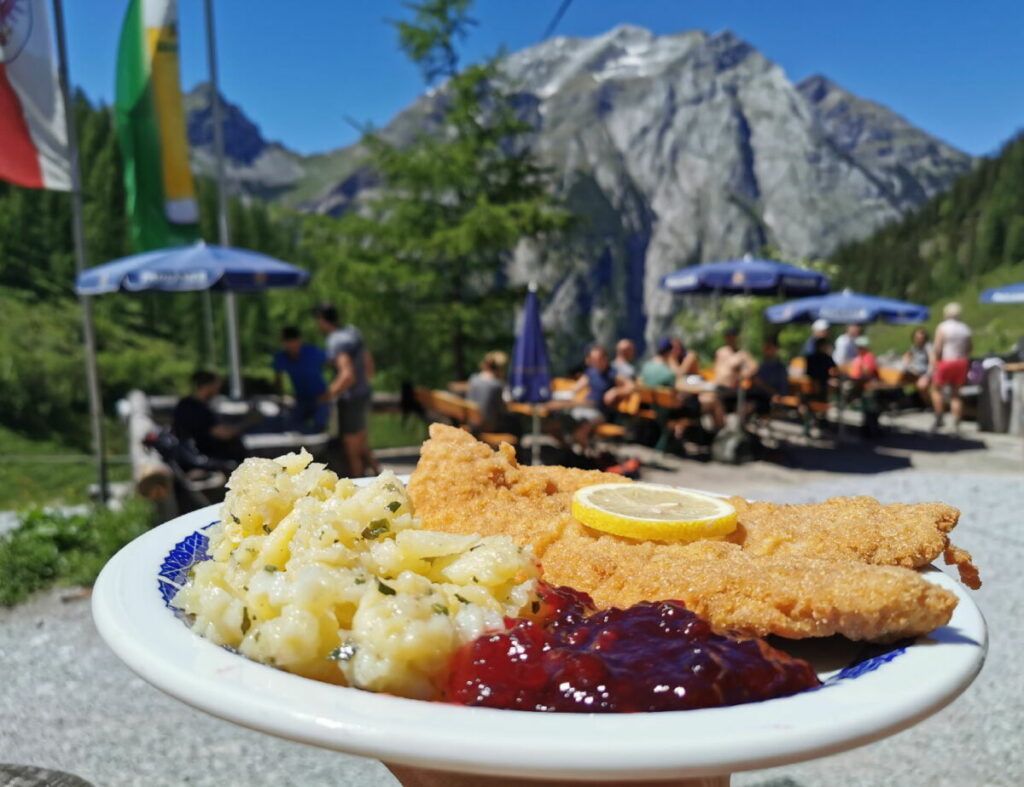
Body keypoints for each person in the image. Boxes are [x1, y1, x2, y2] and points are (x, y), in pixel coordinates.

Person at [314, 303, 381, 477]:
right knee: (362, 445)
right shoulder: (352, 332)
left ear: (321, 320)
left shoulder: (336, 340)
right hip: (364, 394)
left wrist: (326, 396)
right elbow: (369, 366)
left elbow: (347, 375)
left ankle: (358, 487)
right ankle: (382, 478)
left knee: (352, 452)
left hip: (350, 400)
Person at [171, 370, 246, 469]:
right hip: (204, 459)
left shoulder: (193, 405)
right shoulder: (192, 408)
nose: (217, 391)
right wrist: (249, 422)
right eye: (216, 387)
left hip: (205, 456)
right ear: (207, 386)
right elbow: (223, 434)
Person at [567, 345, 635, 452]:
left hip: (600, 412)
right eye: (593, 359)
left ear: (605, 358)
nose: (595, 362)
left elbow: (631, 386)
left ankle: (586, 456)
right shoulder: (591, 371)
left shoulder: (612, 373)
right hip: (586, 406)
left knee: (579, 431)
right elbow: (576, 387)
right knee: (567, 419)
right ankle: (577, 451)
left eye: (598, 359)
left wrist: (615, 391)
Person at [272, 326, 329, 433]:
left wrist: (333, 390)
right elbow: (278, 380)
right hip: (301, 399)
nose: (291, 345)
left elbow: (334, 364)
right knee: (291, 426)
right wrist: (280, 399)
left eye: (293, 341)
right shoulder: (281, 358)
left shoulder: (312, 352)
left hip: (321, 397)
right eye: (288, 342)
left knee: (319, 426)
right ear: (283, 343)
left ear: (299, 340)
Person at [931, 302, 972, 433]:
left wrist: (935, 361)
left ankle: (939, 416)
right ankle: (956, 420)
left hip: (946, 361)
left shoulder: (942, 327)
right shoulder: (965, 328)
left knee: (936, 389)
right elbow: (969, 347)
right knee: (956, 393)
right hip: (961, 362)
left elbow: (938, 347)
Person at [466, 350, 520, 436]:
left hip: (473, 424)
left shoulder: (473, 379)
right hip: (489, 426)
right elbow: (503, 408)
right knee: (515, 422)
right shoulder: (496, 385)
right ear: (500, 368)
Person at [712, 327, 758, 416]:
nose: (730, 339)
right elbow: (720, 369)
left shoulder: (742, 353)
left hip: (732, 389)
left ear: (736, 338)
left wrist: (742, 375)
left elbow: (754, 367)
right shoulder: (721, 352)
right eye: (728, 337)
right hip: (719, 387)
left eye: (732, 337)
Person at [847, 335, 881, 438]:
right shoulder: (858, 357)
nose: (858, 349)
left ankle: (870, 429)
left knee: (868, 402)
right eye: (858, 347)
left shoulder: (868, 357)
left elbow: (867, 374)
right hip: (859, 385)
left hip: (866, 386)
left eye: (861, 347)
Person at [751, 338, 788, 415]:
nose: (766, 350)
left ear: (776, 349)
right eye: (766, 348)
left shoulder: (780, 368)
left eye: (769, 347)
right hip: (756, 396)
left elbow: (780, 392)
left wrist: (761, 384)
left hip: (768, 400)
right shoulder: (762, 365)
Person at [901, 327, 933, 405]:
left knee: (921, 386)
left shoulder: (928, 348)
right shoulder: (914, 348)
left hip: (926, 373)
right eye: (917, 338)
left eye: (921, 338)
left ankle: (929, 404)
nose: (919, 340)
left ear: (925, 338)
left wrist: (927, 376)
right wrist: (905, 362)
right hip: (914, 373)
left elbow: (932, 362)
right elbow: (907, 356)